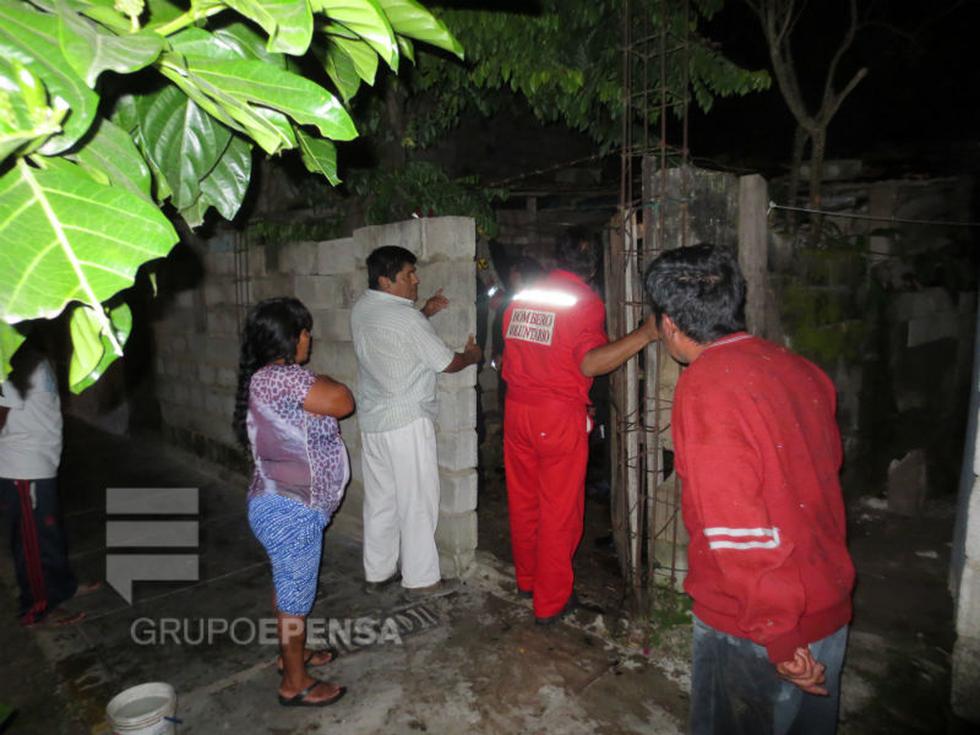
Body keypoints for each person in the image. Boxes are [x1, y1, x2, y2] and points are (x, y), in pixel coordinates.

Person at [642, 244, 855, 735]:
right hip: (826, 604)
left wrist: (779, 636)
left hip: (754, 626)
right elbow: (822, 477)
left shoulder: (706, 387)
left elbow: (738, 529)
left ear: (669, 322)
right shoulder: (800, 369)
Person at [501, 229, 658, 624]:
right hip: (556, 416)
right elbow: (589, 363)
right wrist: (645, 333)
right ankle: (551, 602)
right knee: (559, 510)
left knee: (525, 502)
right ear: (595, 265)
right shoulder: (585, 303)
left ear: (558, 257)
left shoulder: (521, 298)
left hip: (517, 410)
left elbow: (509, 357)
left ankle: (528, 580)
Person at [233, 297, 353, 708]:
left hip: (279, 504)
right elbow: (342, 400)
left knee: (289, 590)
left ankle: (293, 656)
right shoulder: (284, 378)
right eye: (303, 331)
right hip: (290, 509)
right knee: (294, 599)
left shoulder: (269, 378)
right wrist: (329, 379)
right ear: (287, 337)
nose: (309, 338)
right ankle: (295, 682)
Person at [351, 246, 482, 597]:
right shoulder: (406, 319)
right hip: (407, 421)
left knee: (381, 500)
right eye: (409, 274)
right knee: (418, 501)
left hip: (375, 421)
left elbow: (397, 339)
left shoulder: (364, 308)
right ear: (386, 280)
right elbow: (446, 363)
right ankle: (422, 578)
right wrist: (471, 356)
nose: (416, 279)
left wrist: (424, 312)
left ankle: (378, 571)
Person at [0, 338, 98, 626]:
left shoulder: (31, 354)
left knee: (49, 535)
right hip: (23, 468)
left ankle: (62, 587)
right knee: (32, 543)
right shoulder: (8, 359)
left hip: (42, 462)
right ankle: (37, 607)